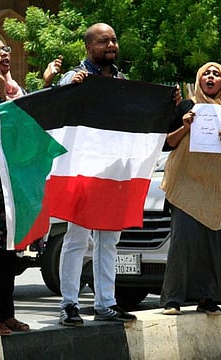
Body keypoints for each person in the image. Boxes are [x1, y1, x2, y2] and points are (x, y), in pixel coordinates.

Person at [0, 37, 62, 335]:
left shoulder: (13, 89)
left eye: (6, 49)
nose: (4, 53)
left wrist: (43, 81)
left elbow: (30, 117)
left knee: (10, 247)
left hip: (10, 180)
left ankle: (7, 314)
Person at [57, 23, 138, 326]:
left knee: (109, 240)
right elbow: (58, 102)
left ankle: (106, 303)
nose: (112, 45)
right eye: (105, 41)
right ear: (89, 48)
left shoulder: (120, 80)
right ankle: (68, 305)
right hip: (81, 171)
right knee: (77, 239)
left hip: (113, 173)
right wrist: (70, 84)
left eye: (114, 40)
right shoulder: (75, 78)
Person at [160, 62, 221, 315]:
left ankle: (208, 298)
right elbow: (167, 143)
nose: (210, 76)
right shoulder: (186, 107)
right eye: (206, 73)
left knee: (214, 245)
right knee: (183, 243)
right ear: (199, 79)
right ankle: (173, 300)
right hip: (186, 185)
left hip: (220, 187)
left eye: (216, 73)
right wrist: (185, 126)